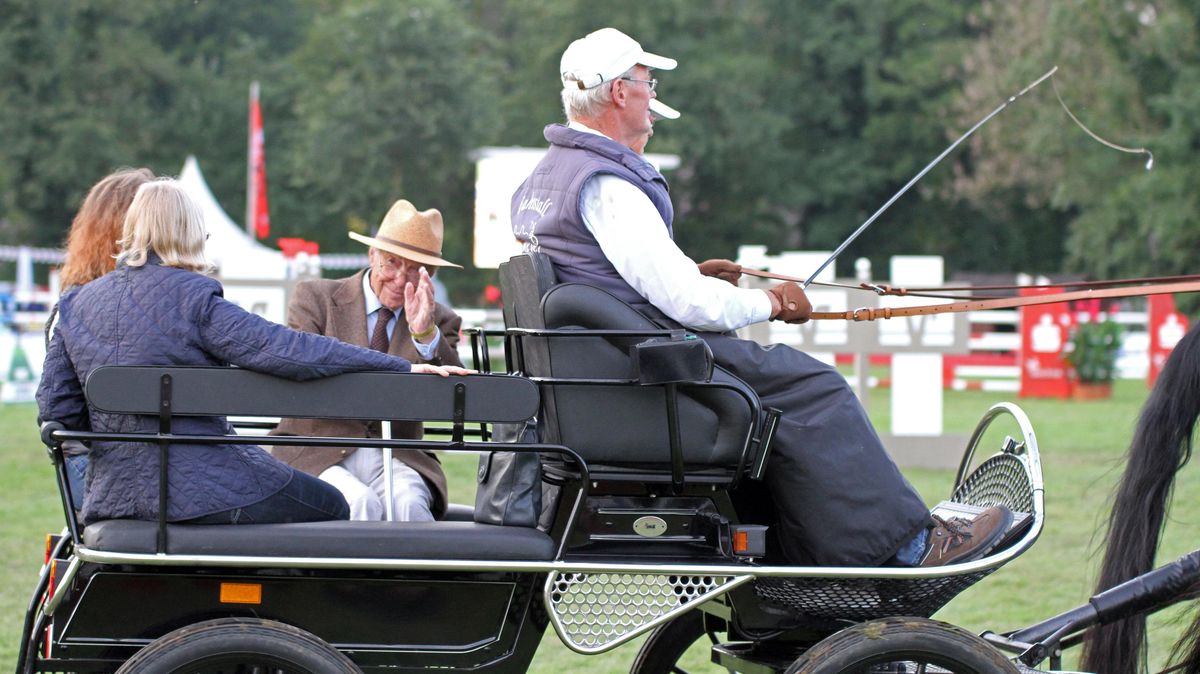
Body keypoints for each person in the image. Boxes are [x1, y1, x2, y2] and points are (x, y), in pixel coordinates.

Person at [510, 27, 1012, 567]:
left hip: (608, 367)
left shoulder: (547, 178)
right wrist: (771, 302)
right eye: (647, 82)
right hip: (646, 367)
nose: (653, 95)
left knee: (794, 389)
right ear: (619, 92)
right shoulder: (608, 185)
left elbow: (597, 277)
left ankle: (810, 557)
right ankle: (908, 549)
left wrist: (689, 272)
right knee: (816, 391)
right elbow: (690, 306)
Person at [36, 179, 468, 526]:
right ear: (189, 232)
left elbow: (57, 410)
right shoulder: (196, 298)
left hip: (112, 494)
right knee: (335, 505)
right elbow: (290, 351)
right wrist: (397, 366)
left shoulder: (76, 303)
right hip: (203, 489)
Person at [271, 200, 464, 522]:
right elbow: (298, 367)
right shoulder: (316, 299)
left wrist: (424, 333)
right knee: (358, 504)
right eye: (391, 263)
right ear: (372, 255)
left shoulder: (439, 320)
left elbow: (452, 395)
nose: (401, 280)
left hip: (397, 452)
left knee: (410, 505)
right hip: (319, 447)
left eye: (416, 269)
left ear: (431, 275)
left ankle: (415, 575)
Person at [48, 168, 156, 510]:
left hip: (102, 464)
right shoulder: (78, 308)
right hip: (105, 468)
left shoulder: (70, 305)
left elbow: (59, 413)